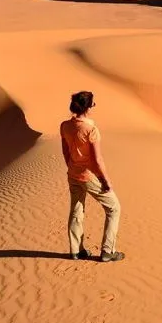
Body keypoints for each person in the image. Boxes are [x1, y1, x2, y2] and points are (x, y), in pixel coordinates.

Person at [59, 91, 124, 262]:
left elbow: (65, 151)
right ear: (88, 107)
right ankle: (108, 251)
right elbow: (97, 159)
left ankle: (75, 250)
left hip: (73, 174)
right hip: (89, 176)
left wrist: (72, 168)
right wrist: (105, 180)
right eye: (93, 104)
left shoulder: (65, 126)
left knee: (76, 210)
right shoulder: (90, 129)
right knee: (114, 208)